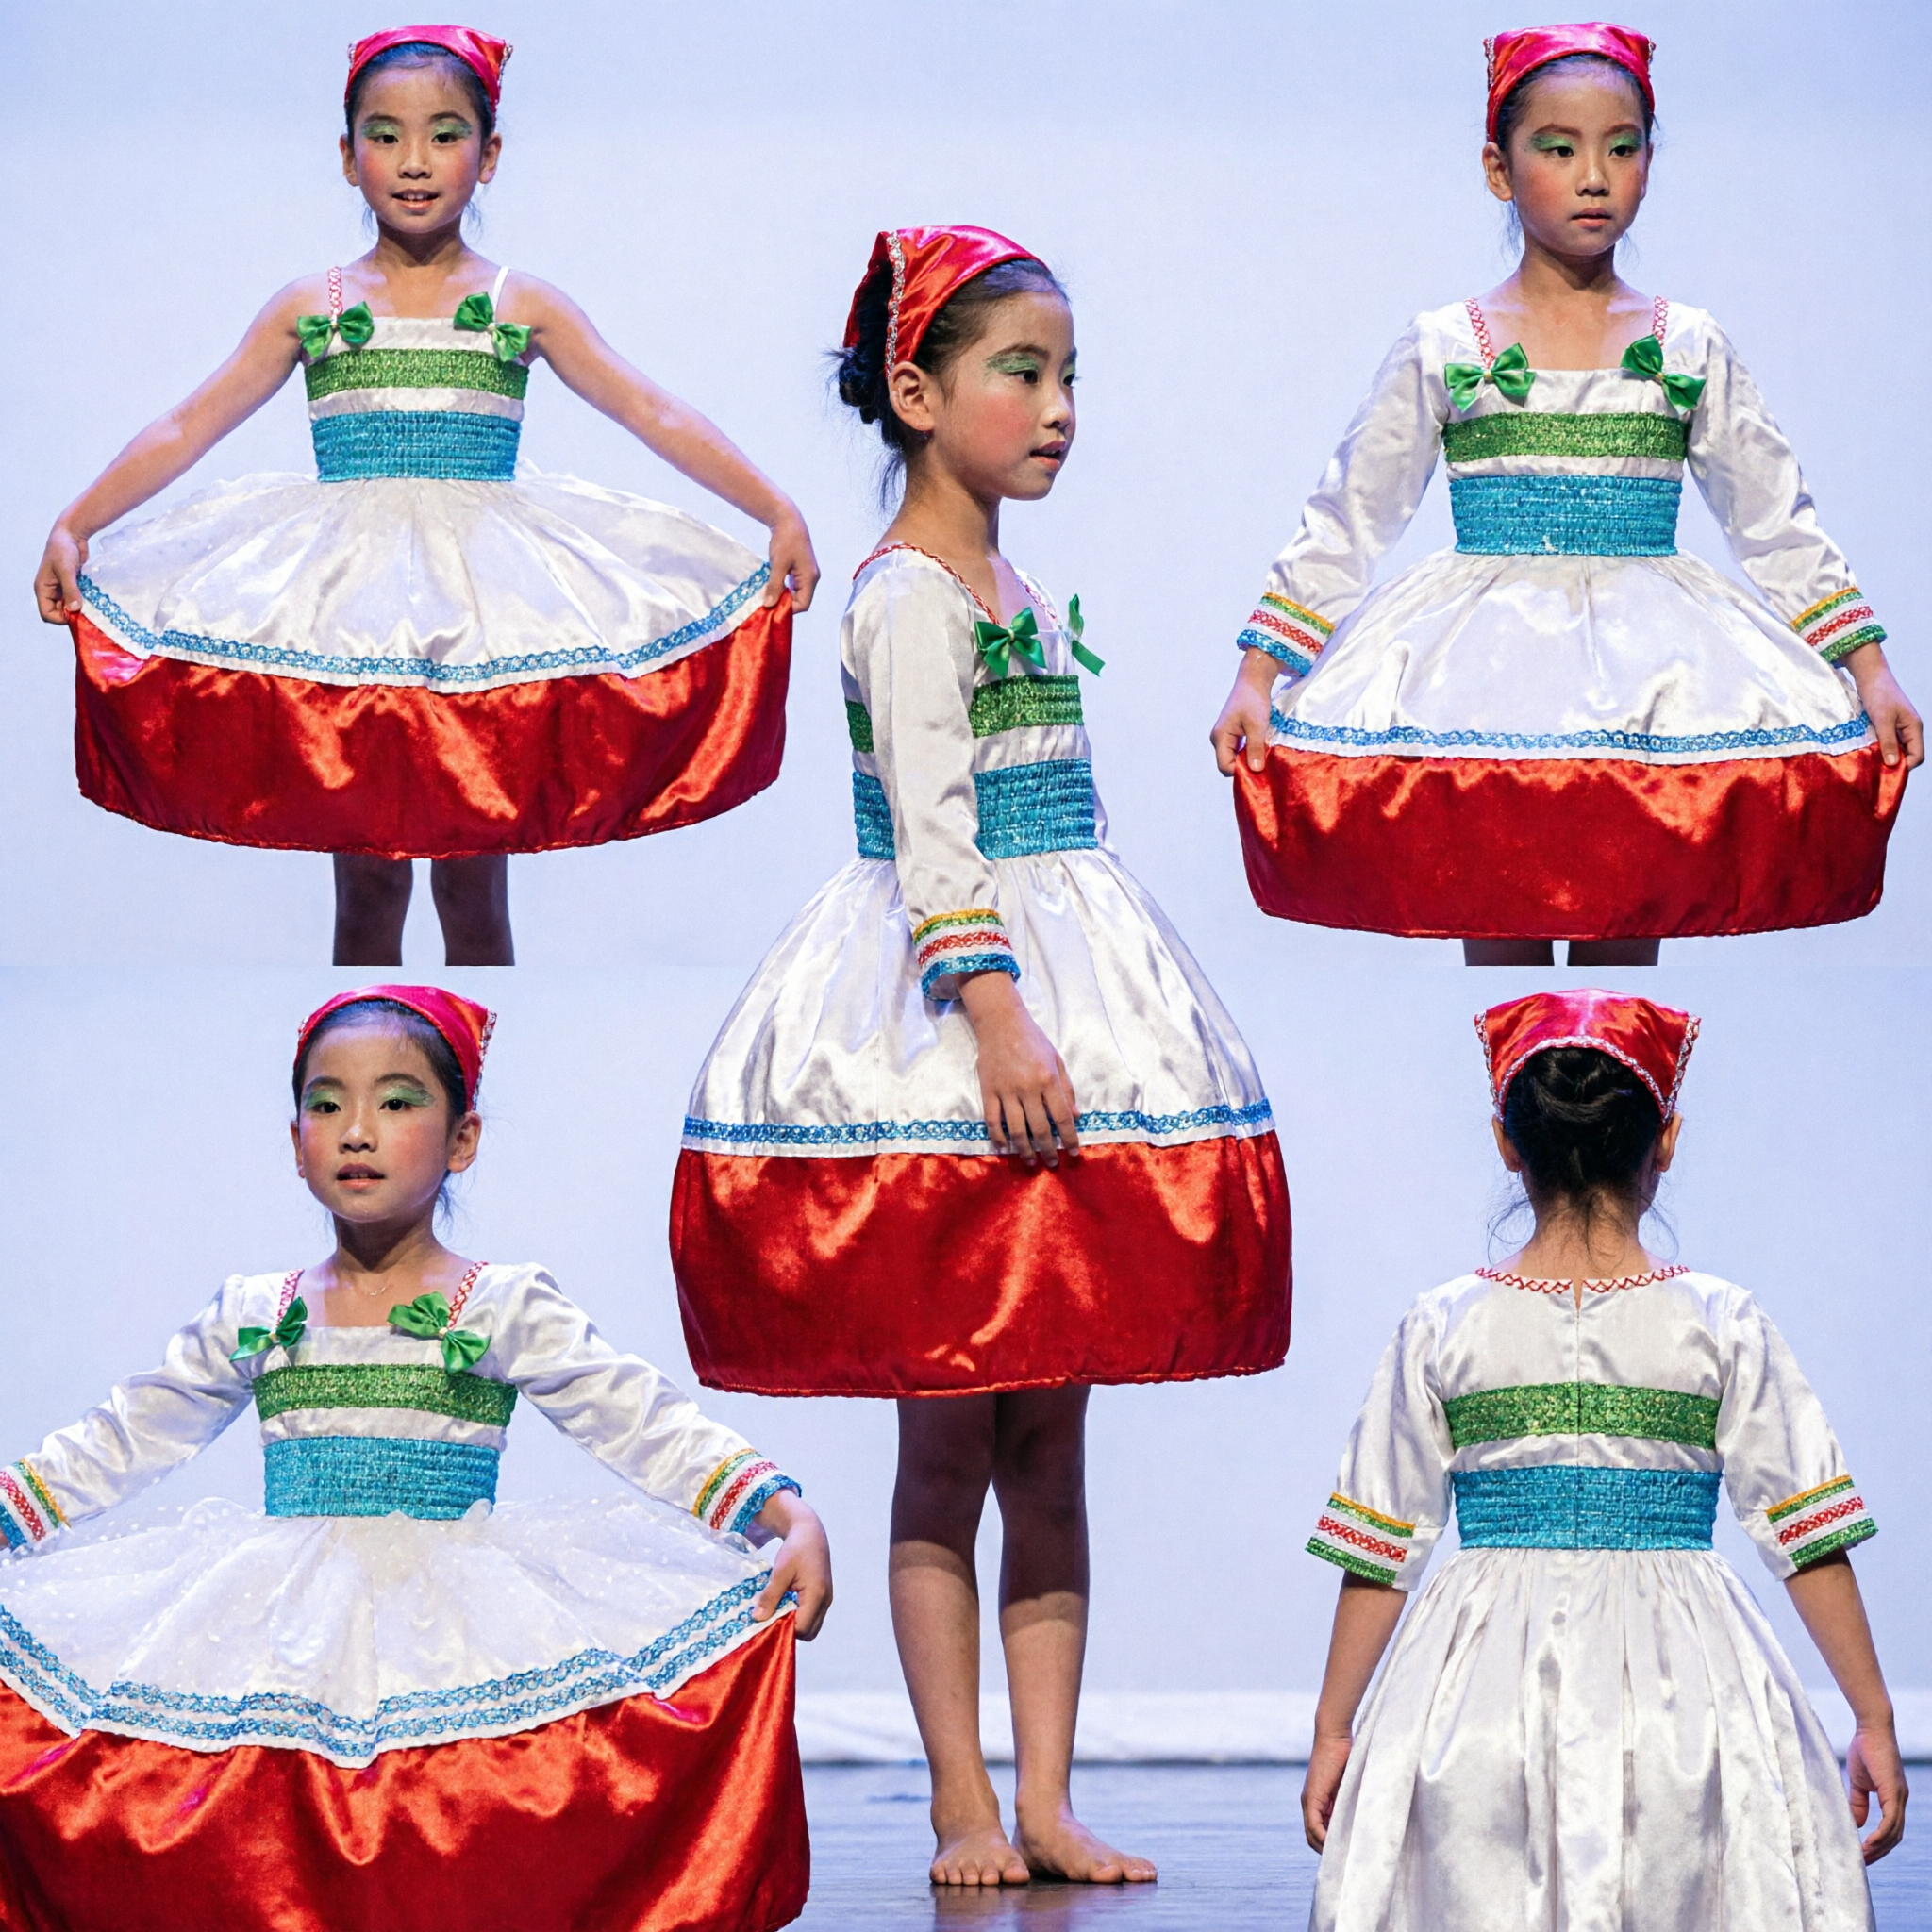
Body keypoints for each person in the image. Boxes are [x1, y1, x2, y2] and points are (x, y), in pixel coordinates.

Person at [672, 226, 1291, 1888]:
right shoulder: (903, 599)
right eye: (1020, 371)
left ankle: (1048, 1791)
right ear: (914, 388)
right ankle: (958, 1794)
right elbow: (933, 828)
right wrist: (996, 1004)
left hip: (1066, 985)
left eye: (1067, 373)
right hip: (949, 1026)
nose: (1055, 405)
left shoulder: (1018, 587)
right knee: (947, 1435)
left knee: (1054, 1438)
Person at [0, 986, 830, 1932]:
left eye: (396, 1102)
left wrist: (778, 1512)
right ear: (294, 1139)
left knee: (455, 1809)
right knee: (275, 1809)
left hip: (455, 1600)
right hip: (285, 1611)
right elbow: (127, 1432)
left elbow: (635, 1416)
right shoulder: (259, 1308)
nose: (357, 1129)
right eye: (326, 1103)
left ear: (462, 1139)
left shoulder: (497, 1304)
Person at [33, 25, 819, 967]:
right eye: (385, 133)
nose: (414, 161)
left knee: (474, 873)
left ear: (488, 157)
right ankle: (366, 1008)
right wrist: (77, 523)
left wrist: (774, 507)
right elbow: (188, 422)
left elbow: (647, 405)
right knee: (363, 876)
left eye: (445, 134)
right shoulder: (310, 305)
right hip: (347, 611)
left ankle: (477, 1016)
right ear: (344, 153)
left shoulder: (522, 303)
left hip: (477, 609)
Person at [1213, 23, 1921, 965]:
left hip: (1648, 670)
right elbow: (1349, 514)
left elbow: (1773, 519)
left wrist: (1867, 667)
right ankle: (1514, 1099)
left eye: (1621, 149)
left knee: (1620, 919)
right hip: (1482, 668)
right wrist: (1259, 672)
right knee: (1495, 906)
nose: (1594, 175)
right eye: (1557, 148)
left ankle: (1602, 1108)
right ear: (1497, 171)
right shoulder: (1447, 344)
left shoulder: (1685, 344)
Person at [1300, 988, 1906, 1930]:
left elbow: (1378, 1546)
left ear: (1507, 1142)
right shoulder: (1720, 1320)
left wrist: (1332, 1726)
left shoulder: (1440, 1323)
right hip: (1686, 1691)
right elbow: (1805, 1531)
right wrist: (1871, 1712)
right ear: (1662, 1140)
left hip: (1475, 1689)